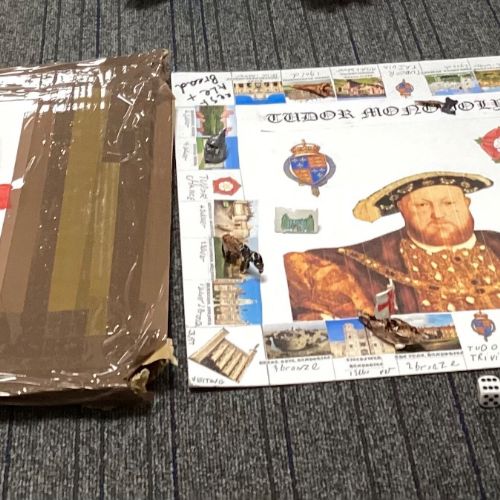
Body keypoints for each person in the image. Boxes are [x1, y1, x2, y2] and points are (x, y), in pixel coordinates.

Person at [284, 171, 500, 320]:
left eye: (449, 203)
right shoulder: (355, 264)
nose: (438, 214)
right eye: (422, 205)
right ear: (402, 210)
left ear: (466, 203)